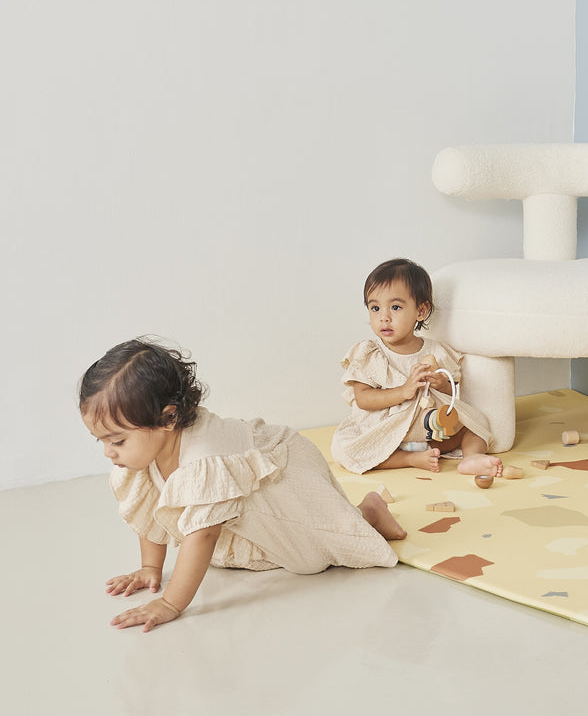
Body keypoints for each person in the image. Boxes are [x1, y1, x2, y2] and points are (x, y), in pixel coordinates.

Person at [80, 338, 405, 632]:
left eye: (117, 441)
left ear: (168, 418)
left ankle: (366, 513)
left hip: (282, 472)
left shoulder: (203, 460)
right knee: (239, 550)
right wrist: (151, 567)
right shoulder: (147, 453)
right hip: (245, 483)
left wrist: (170, 603)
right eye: (101, 441)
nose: (109, 452)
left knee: (311, 558)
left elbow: (203, 534)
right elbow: (153, 506)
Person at [331, 258, 503, 477]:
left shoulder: (437, 350)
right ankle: (409, 459)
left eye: (395, 307)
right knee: (343, 448)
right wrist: (403, 391)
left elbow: (455, 392)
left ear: (421, 311)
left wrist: (442, 384)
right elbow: (363, 398)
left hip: (432, 432)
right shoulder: (370, 352)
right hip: (388, 433)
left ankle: (472, 458)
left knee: (476, 424)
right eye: (375, 308)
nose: (384, 317)